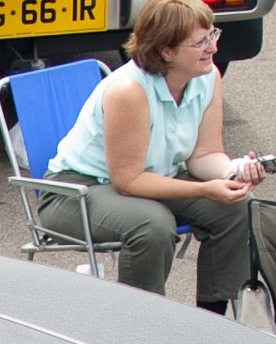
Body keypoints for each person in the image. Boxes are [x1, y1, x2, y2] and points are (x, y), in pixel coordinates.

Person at [41, 0, 263, 311]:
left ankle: (210, 320)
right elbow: (128, 180)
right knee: (152, 225)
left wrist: (234, 172)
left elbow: (205, 154)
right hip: (75, 191)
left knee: (237, 207)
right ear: (165, 51)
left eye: (213, 34)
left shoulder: (209, 76)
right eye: (200, 42)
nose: (212, 47)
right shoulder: (129, 91)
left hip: (150, 179)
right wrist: (205, 189)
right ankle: (144, 324)